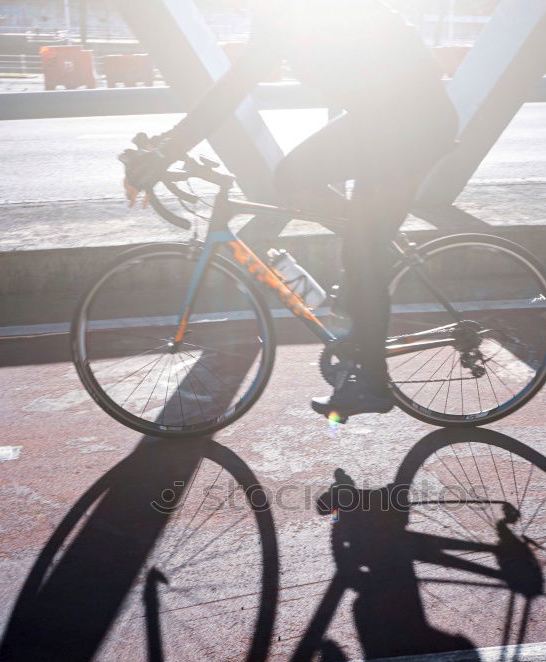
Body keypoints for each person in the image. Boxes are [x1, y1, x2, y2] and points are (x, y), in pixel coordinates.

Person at [123, 0, 458, 420]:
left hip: (414, 124)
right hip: (379, 121)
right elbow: (231, 88)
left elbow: (232, 89)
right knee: (293, 179)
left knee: (361, 251)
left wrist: (170, 148)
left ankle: (370, 382)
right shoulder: (275, 19)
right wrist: (168, 146)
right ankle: (376, 244)